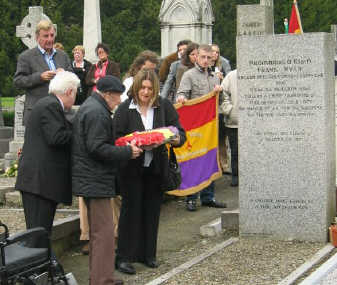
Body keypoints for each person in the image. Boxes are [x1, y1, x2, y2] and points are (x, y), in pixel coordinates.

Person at [72, 75, 143, 285]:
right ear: (107, 94)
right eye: (117, 96)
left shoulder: (91, 107)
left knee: (98, 233)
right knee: (103, 235)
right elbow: (97, 147)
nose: (119, 101)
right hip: (96, 180)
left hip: (90, 179)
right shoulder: (97, 113)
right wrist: (126, 151)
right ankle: (103, 280)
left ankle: (100, 277)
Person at [114, 69, 186, 275]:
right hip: (131, 168)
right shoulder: (124, 109)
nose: (145, 92)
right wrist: (128, 148)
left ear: (155, 90)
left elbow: (180, 132)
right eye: (142, 88)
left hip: (156, 168)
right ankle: (124, 257)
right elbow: (116, 138)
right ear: (136, 88)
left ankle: (148, 254)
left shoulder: (163, 106)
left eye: (150, 89)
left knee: (152, 211)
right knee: (130, 212)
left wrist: (175, 138)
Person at [15, 71, 80, 273]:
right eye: (76, 92)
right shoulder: (50, 105)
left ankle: (44, 273)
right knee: (38, 235)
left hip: (40, 183)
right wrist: (80, 131)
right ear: (69, 91)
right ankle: (37, 273)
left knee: (40, 234)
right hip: (38, 183)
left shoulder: (48, 104)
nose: (75, 96)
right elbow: (56, 137)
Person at [176, 44, 227, 212]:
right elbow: (181, 95)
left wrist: (220, 92)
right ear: (196, 57)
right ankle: (191, 198)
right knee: (194, 160)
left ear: (213, 59)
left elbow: (220, 102)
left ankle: (208, 197)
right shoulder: (188, 75)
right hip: (194, 128)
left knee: (210, 159)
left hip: (210, 127)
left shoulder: (215, 77)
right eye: (203, 57)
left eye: (209, 58)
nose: (206, 61)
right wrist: (182, 98)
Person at [13, 19, 73, 125]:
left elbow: (73, 79)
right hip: (36, 114)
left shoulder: (62, 55)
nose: (50, 39)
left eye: (52, 35)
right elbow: (18, 81)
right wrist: (40, 77)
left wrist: (64, 74)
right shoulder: (26, 57)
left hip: (60, 113)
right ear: (37, 37)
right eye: (46, 36)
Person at [210, 44, 232, 174]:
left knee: (221, 137)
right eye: (213, 52)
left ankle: (224, 164)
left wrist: (222, 79)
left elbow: (228, 84)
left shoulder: (223, 65)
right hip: (208, 107)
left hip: (219, 107)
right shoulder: (204, 68)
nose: (215, 55)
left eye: (217, 52)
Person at [221, 69, 238, 186]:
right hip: (234, 121)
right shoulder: (232, 75)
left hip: (254, 121)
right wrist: (229, 110)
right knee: (235, 150)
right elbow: (223, 93)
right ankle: (235, 175)